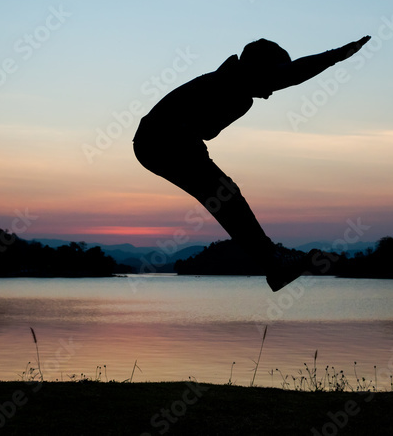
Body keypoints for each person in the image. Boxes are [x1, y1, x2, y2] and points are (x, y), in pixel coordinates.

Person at [132, 35, 371, 291]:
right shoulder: (235, 79)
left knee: (226, 197)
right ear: (260, 68)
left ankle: (273, 264)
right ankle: (273, 263)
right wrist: (336, 55)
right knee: (226, 197)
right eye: (271, 81)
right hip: (162, 139)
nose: (269, 95)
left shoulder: (236, 87)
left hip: (168, 142)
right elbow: (293, 73)